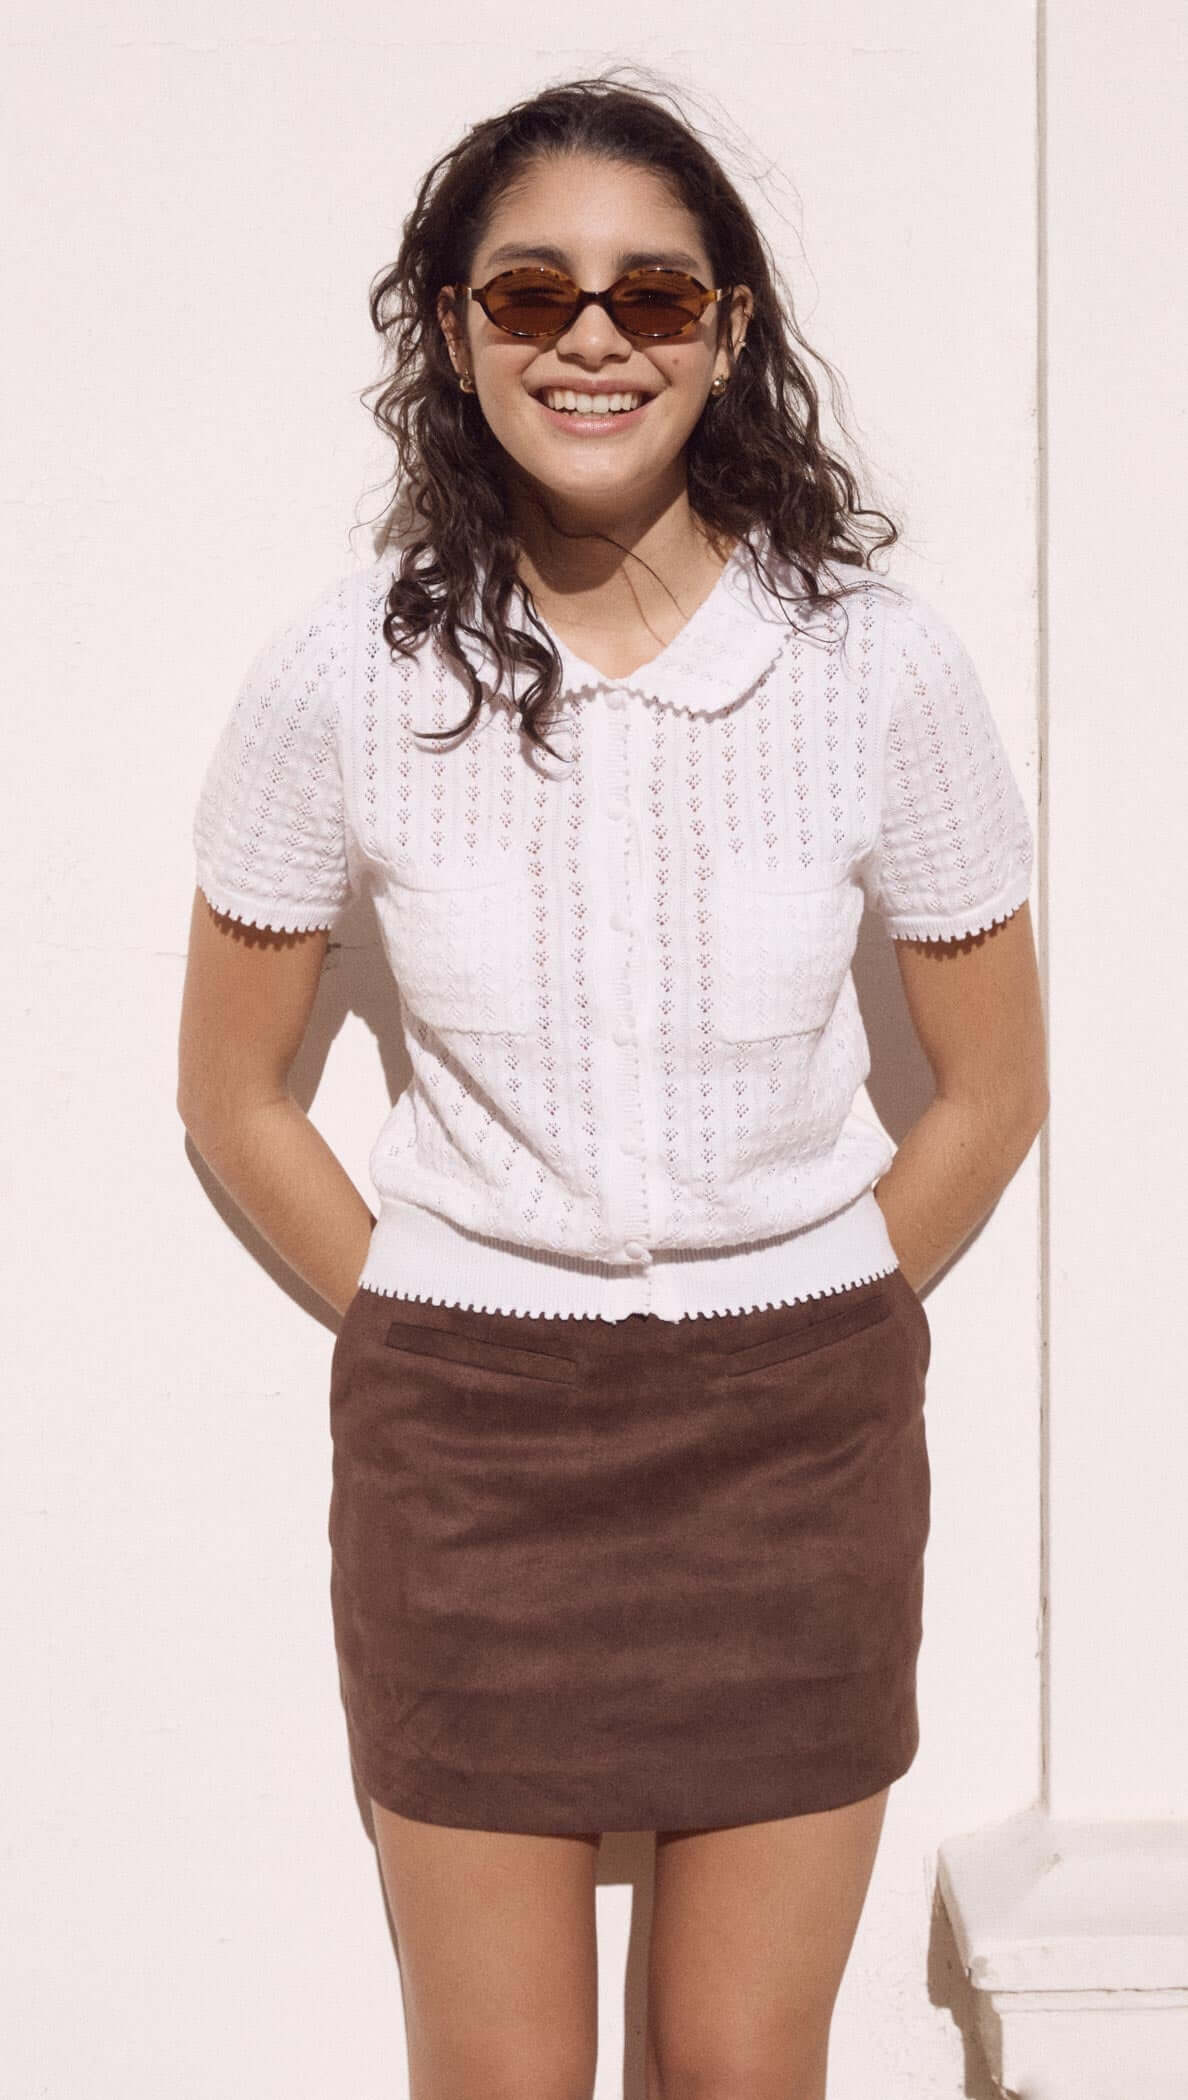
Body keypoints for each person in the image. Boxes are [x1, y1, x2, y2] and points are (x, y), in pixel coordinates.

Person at [177, 71, 1048, 2100]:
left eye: (652, 296)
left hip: (800, 1453)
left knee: (743, 2073)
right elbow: (234, 1093)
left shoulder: (878, 671)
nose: (591, 336)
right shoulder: (342, 680)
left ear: (729, 330)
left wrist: (806, 1310)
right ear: (454, 328)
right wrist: (434, 1319)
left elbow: (993, 1090)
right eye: (532, 293)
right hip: (468, 1462)